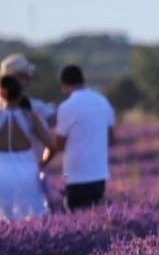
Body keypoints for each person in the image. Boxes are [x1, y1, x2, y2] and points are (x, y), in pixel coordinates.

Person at [0, 75, 56, 222]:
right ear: (21, 93)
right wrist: (42, 164)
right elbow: (51, 146)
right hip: (27, 174)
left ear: (1, 93)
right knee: (31, 222)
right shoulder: (30, 117)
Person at [48, 64, 116, 210]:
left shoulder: (66, 107)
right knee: (96, 216)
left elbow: (59, 144)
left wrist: (43, 160)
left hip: (75, 175)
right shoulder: (103, 102)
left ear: (64, 84)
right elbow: (111, 138)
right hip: (99, 173)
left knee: (76, 214)